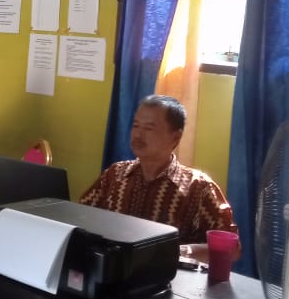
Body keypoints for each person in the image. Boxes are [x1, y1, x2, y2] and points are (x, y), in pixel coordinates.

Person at [80, 94, 236, 262]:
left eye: (149, 128)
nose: (138, 135)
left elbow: (232, 249)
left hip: (168, 275)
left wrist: (182, 251)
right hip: (112, 270)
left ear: (175, 137)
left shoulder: (199, 188)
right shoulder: (114, 174)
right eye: (136, 125)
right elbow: (78, 218)